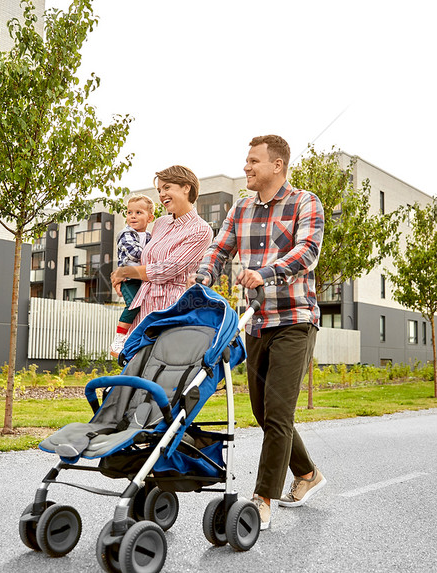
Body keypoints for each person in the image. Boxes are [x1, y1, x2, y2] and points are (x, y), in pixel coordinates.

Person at [196, 135, 326, 530]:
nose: (247, 167)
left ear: (278, 165)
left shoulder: (306, 203)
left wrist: (265, 273)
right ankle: (307, 474)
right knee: (263, 412)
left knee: (279, 412)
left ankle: (261, 498)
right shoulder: (240, 208)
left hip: (295, 319)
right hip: (255, 321)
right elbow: (219, 250)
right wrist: (201, 282)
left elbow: (307, 252)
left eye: (254, 161)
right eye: (246, 160)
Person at [110, 165, 212, 346]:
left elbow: (165, 270)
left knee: (160, 368)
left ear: (186, 187)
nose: (162, 194)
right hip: (142, 305)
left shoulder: (200, 230)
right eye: (159, 190)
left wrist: (124, 272)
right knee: (134, 367)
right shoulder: (160, 223)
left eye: (167, 187)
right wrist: (123, 276)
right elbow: (142, 258)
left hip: (169, 309)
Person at [111, 194, 156, 356]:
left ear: (150, 217)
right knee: (133, 306)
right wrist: (155, 255)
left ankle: (133, 337)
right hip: (129, 278)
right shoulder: (126, 233)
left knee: (144, 306)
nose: (133, 216)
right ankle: (119, 338)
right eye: (129, 212)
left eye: (138, 213)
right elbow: (134, 253)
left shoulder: (149, 236)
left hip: (142, 277)